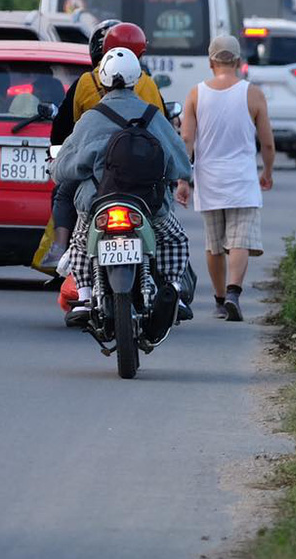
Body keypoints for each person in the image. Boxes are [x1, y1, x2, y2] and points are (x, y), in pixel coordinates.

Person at [54, 46, 194, 330]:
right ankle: (173, 291)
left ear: (102, 81)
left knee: (81, 242)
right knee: (175, 239)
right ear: (136, 79)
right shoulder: (154, 116)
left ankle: (83, 296)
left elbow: (65, 168)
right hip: (148, 206)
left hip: (97, 205)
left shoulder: (91, 118)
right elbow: (180, 163)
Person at [43, 20, 164, 270]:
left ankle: (59, 250)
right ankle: (172, 280)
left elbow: (67, 131)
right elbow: (163, 135)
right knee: (170, 231)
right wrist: (179, 175)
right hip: (144, 175)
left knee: (65, 195)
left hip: (95, 176)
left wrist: (60, 165)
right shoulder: (149, 85)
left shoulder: (86, 84)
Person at [179, 33, 275, 321]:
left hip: (208, 180)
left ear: (211, 61)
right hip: (242, 180)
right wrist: (267, 170)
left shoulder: (196, 93)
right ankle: (234, 292)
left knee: (214, 244)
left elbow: (186, 139)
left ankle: (220, 300)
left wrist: (184, 179)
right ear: (238, 61)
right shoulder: (253, 93)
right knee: (239, 240)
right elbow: (267, 142)